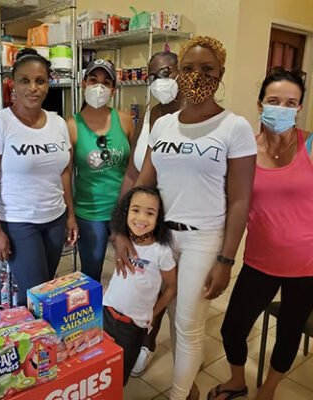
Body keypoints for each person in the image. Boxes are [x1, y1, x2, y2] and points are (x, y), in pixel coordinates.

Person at [114, 36, 257, 400]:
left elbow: (240, 200)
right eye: (189, 68)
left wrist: (226, 260)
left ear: (221, 73)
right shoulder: (164, 125)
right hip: (161, 237)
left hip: (203, 238)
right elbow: (143, 184)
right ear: (178, 73)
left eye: (207, 69)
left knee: (188, 324)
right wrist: (121, 231)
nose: (197, 76)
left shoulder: (234, 127)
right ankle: (188, 389)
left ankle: (178, 396)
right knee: (172, 322)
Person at [208, 68, 313, 400]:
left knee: (289, 333)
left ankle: (267, 390)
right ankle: (237, 381)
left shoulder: (311, 145)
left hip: (307, 266)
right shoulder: (246, 151)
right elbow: (231, 204)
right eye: (274, 100)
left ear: (299, 107)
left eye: (291, 103)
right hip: (259, 262)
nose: (282, 108)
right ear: (260, 104)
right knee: (232, 328)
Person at [0, 48, 78, 306]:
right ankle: (28, 330)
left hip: (55, 219)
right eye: (25, 80)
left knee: (45, 287)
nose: (33, 88)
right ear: (13, 84)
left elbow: (64, 171)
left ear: (48, 84)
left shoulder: (58, 123)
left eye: (40, 81)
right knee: (36, 291)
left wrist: (70, 215)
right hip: (19, 222)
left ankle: (35, 330)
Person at [127, 51, 185, 377]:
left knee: (171, 288)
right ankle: (142, 339)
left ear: (180, 72)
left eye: (165, 72)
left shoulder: (195, 114)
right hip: (148, 215)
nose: (159, 81)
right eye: (152, 76)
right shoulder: (152, 114)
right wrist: (122, 215)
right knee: (147, 281)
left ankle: (154, 346)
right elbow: (133, 171)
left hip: (181, 217)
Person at [67, 59, 134, 282]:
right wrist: (70, 216)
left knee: (130, 269)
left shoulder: (125, 120)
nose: (99, 87)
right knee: (92, 272)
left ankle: (120, 305)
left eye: (106, 82)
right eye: (93, 80)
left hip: (124, 211)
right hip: (89, 213)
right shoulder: (72, 126)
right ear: (83, 84)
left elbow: (134, 167)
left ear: (113, 89)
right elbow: (66, 175)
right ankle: (95, 306)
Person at [103, 186, 177, 385]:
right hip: (106, 313)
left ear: (159, 218)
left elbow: (171, 286)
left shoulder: (161, 252)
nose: (141, 218)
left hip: (133, 326)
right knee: (100, 369)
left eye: (150, 213)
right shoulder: (122, 240)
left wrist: (154, 312)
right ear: (125, 213)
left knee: (118, 377)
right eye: (135, 210)